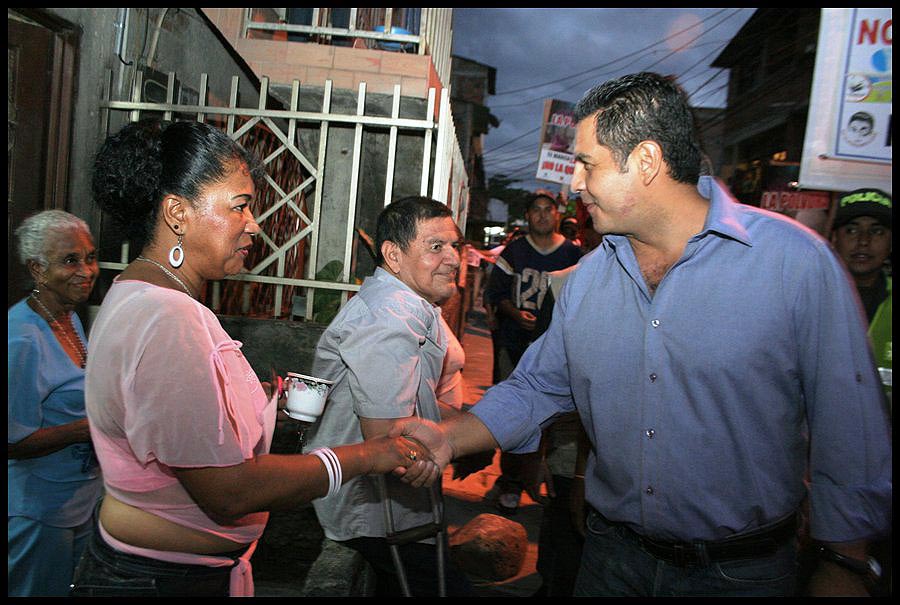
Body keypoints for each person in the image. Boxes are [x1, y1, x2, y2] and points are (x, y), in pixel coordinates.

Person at [394, 72, 892, 597]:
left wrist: (845, 561)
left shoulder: (795, 263)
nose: (575, 183)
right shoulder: (588, 279)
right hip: (611, 560)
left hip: (741, 574)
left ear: (647, 160)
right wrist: (448, 438)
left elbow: (848, 423)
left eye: (587, 164)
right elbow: (537, 386)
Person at [69, 119, 432, 597]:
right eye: (239, 206)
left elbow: (165, 418)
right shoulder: (169, 317)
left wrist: (252, 400)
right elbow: (230, 491)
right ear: (178, 213)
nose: (254, 224)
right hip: (162, 582)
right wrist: (366, 455)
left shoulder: (136, 291)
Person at [304, 196, 473, 597]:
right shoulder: (388, 317)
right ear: (393, 255)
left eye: (455, 246)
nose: (453, 259)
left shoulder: (409, 305)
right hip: (377, 517)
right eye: (436, 247)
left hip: (395, 513)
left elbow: (415, 400)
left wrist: (471, 432)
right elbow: (386, 439)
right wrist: (435, 455)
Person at [8, 210, 103, 597]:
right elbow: (12, 442)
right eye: (70, 260)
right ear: (38, 270)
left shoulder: (68, 317)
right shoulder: (20, 339)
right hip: (37, 511)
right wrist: (86, 429)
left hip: (76, 501)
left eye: (90, 257)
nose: (87, 271)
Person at [484, 192, 583, 513]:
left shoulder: (574, 254)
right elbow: (496, 293)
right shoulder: (515, 250)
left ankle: (549, 481)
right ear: (527, 215)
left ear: (557, 215)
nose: (542, 215)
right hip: (514, 345)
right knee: (513, 414)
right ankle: (511, 481)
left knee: (555, 420)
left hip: (558, 352)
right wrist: (514, 314)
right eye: (536, 210)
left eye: (547, 210)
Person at [829, 188, 892, 406]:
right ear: (834, 238)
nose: (863, 241)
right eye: (852, 230)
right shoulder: (808, 297)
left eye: (877, 231)